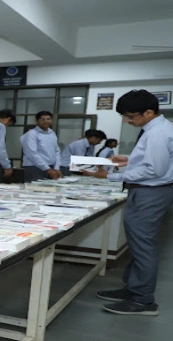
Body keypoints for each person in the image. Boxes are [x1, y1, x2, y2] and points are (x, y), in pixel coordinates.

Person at [82, 89, 173, 316]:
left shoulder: (157, 133)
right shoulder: (157, 129)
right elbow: (155, 160)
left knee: (143, 246)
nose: (127, 120)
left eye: (131, 116)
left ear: (149, 112)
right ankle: (133, 289)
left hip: (150, 193)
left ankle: (143, 300)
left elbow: (154, 170)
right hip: (148, 192)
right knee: (138, 244)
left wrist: (110, 176)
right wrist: (130, 159)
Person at [20, 111, 61, 182]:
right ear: (36, 121)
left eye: (48, 119)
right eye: (42, 119)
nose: (46, 121)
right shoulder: (31, 134)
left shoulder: (52, 133)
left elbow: (57, 151)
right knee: (34, 191)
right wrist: (47, 169)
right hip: (34, 168)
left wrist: (57, 168)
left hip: (50, 168)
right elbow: (32, 154)